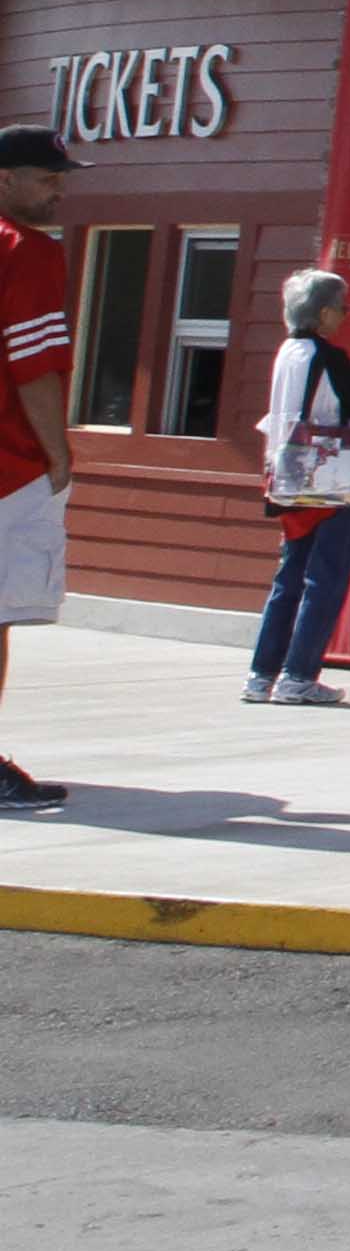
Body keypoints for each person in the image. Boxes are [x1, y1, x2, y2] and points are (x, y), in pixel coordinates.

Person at [243, 265, 350, 708]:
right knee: (326, 577)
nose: (345, 315)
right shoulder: (330, 357)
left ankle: (262, 673)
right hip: (330, 473)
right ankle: (299, 674)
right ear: (322, 313)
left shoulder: (287, 351)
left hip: (286, 471)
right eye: (342, 307)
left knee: (291, 575)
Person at [0, 123, 78, 805]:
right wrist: (58, 453)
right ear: (6, 179)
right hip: (7, 461)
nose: (59, 190)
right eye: (47, 177)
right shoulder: (29, 251)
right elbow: (33, 367)